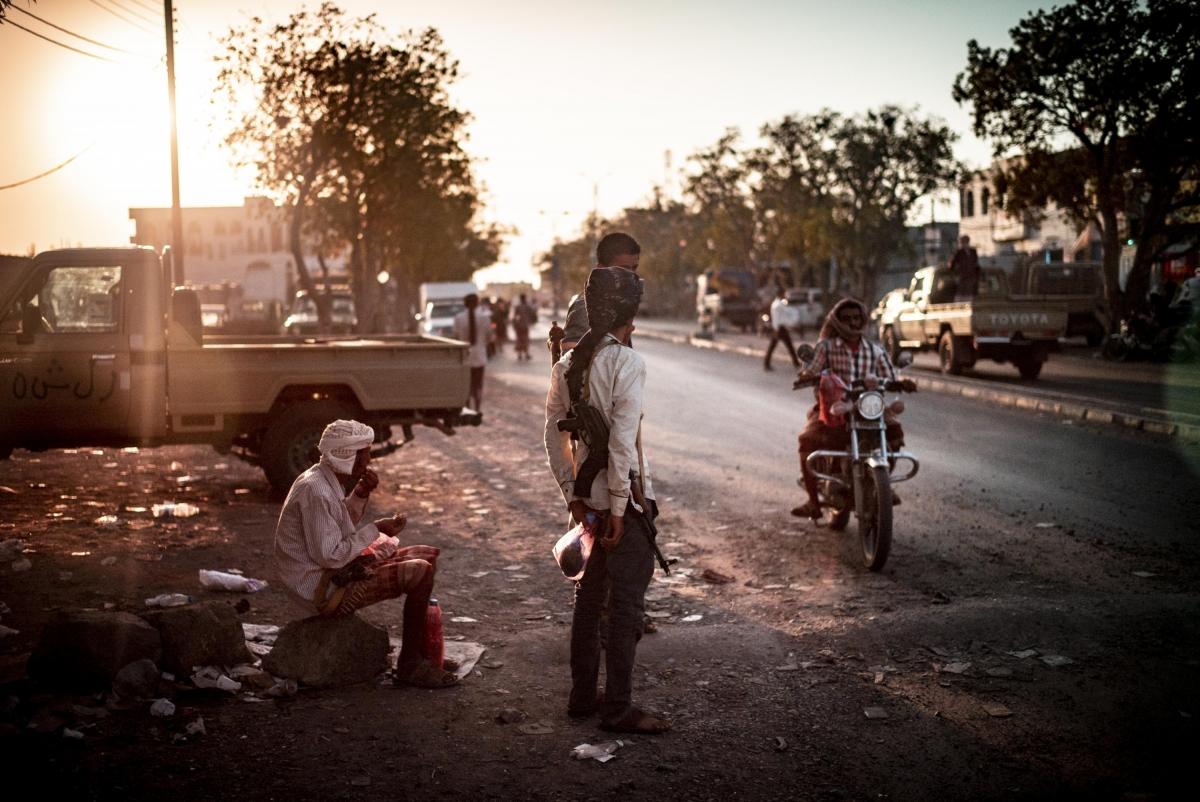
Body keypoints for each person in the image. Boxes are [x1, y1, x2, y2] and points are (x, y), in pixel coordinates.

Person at [543, 266, 670, 735]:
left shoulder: (566, 365)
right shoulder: (628, 364)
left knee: (587, 599)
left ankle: (582, 699)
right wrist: (619, 509)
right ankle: (617, 709)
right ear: (627, 315)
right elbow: (622, 444)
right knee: (625, 610)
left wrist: (572, 497)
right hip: (623, 507)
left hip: (586, 503)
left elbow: (553, 439)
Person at [272, 419, 457, 688]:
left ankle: (423, 652)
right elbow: (331, 555)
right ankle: (410, 666)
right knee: (420, 572)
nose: (370, 459)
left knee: (426, 557)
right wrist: (375, 529)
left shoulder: (323, 478)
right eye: (365, 453)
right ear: (347, 455)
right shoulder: (316, 490)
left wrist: (361, 492)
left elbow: (337, 527)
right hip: (322, 588)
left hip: (331, 571)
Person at [791, 299, 909, 520]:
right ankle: (813, 502)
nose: (853, 323)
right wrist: (808, 374)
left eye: (856, 318)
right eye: (847, 319)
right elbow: (812, 368)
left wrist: (902, 382)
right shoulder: (826, 347)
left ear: (862, 320)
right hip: (833, 406)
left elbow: (890, 376)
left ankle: (883, 484)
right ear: (837, 322)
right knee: (807, 439)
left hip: (867, 407)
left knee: (895, 432)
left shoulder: (875, 349)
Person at [554, 232, 641, 354]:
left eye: (634, 268)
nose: (632, 275)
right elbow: (570, 364)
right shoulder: (586, 309)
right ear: (601, 269)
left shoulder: (618, 304)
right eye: (623, 269)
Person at [454, 293, 492, 411]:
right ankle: (477, 407)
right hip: (480, 356)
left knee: (466, 384)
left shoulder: (459, 318)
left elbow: (455, 337)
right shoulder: (484, 317)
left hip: (465, 356)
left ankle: (467, 407)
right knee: (478, 384)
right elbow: (489, 336)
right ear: (477, 303)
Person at [763, 287, 800, 371]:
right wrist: (776, 329)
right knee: (786, 346)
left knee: (780, 346)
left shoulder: (778, 303)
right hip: (780, 328)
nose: (785, 295)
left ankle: (796, 362)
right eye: (784, 293)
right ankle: (796, 363)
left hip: (780, 328)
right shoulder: (778, 305)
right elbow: (776, 318)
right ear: (781, 294)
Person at [949, 235, 981, 301]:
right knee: (961, 293)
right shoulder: (958, 252)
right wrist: (956, 274)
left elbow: (976, 263)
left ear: (967, 242)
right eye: (962, 242)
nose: (963, 244)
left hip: (971, 276)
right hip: (962, 276)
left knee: (970, 292)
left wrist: (976, 273)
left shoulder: (973, 251)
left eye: (964, 242)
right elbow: (952, 264)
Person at [512, 293, 535, 361]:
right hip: (525, 326)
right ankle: (526, 354)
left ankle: (519, 355)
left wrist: (515, 324)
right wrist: (530, 322)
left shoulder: (517, 307)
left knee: (519, 339)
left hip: (519, 326)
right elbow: (532, 315)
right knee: (525, 340)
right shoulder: (528, 307)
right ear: (525, 299)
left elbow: (515, 317)